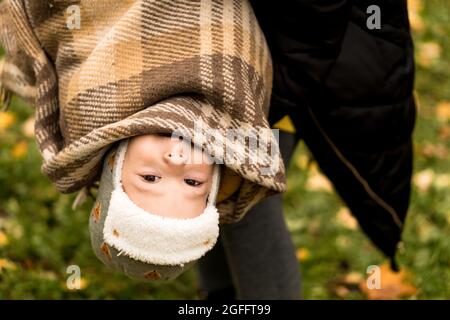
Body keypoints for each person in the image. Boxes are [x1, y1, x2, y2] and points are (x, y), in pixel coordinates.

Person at [198, 0, 416, 299]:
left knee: (246, 198)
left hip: (298, 59)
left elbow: (313, 29)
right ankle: (220, 296)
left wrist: (259, 106)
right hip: (251, 45)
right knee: (205, 179)